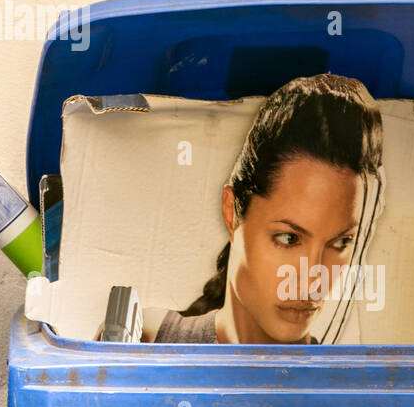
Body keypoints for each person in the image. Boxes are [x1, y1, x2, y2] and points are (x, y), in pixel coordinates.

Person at [143, 73, 384, 345]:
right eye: (289, 238)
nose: (311, 282)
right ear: (231, 212)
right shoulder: (144, 341)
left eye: (340, 242)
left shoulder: (346, 386)